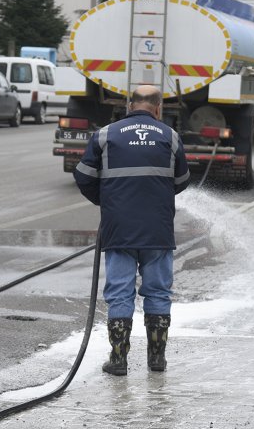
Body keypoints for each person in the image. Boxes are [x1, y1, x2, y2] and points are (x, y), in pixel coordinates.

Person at [74, 85, 190, 376]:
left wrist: (108, 201)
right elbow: (182, 180)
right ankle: (156, 360)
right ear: (158, 108)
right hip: (158, 230)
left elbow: (83, 176)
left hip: (119, 228)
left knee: (120, 293)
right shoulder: (171, 137)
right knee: (158, 292)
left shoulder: (105, 135)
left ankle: (118, 360)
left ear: (129, 106)